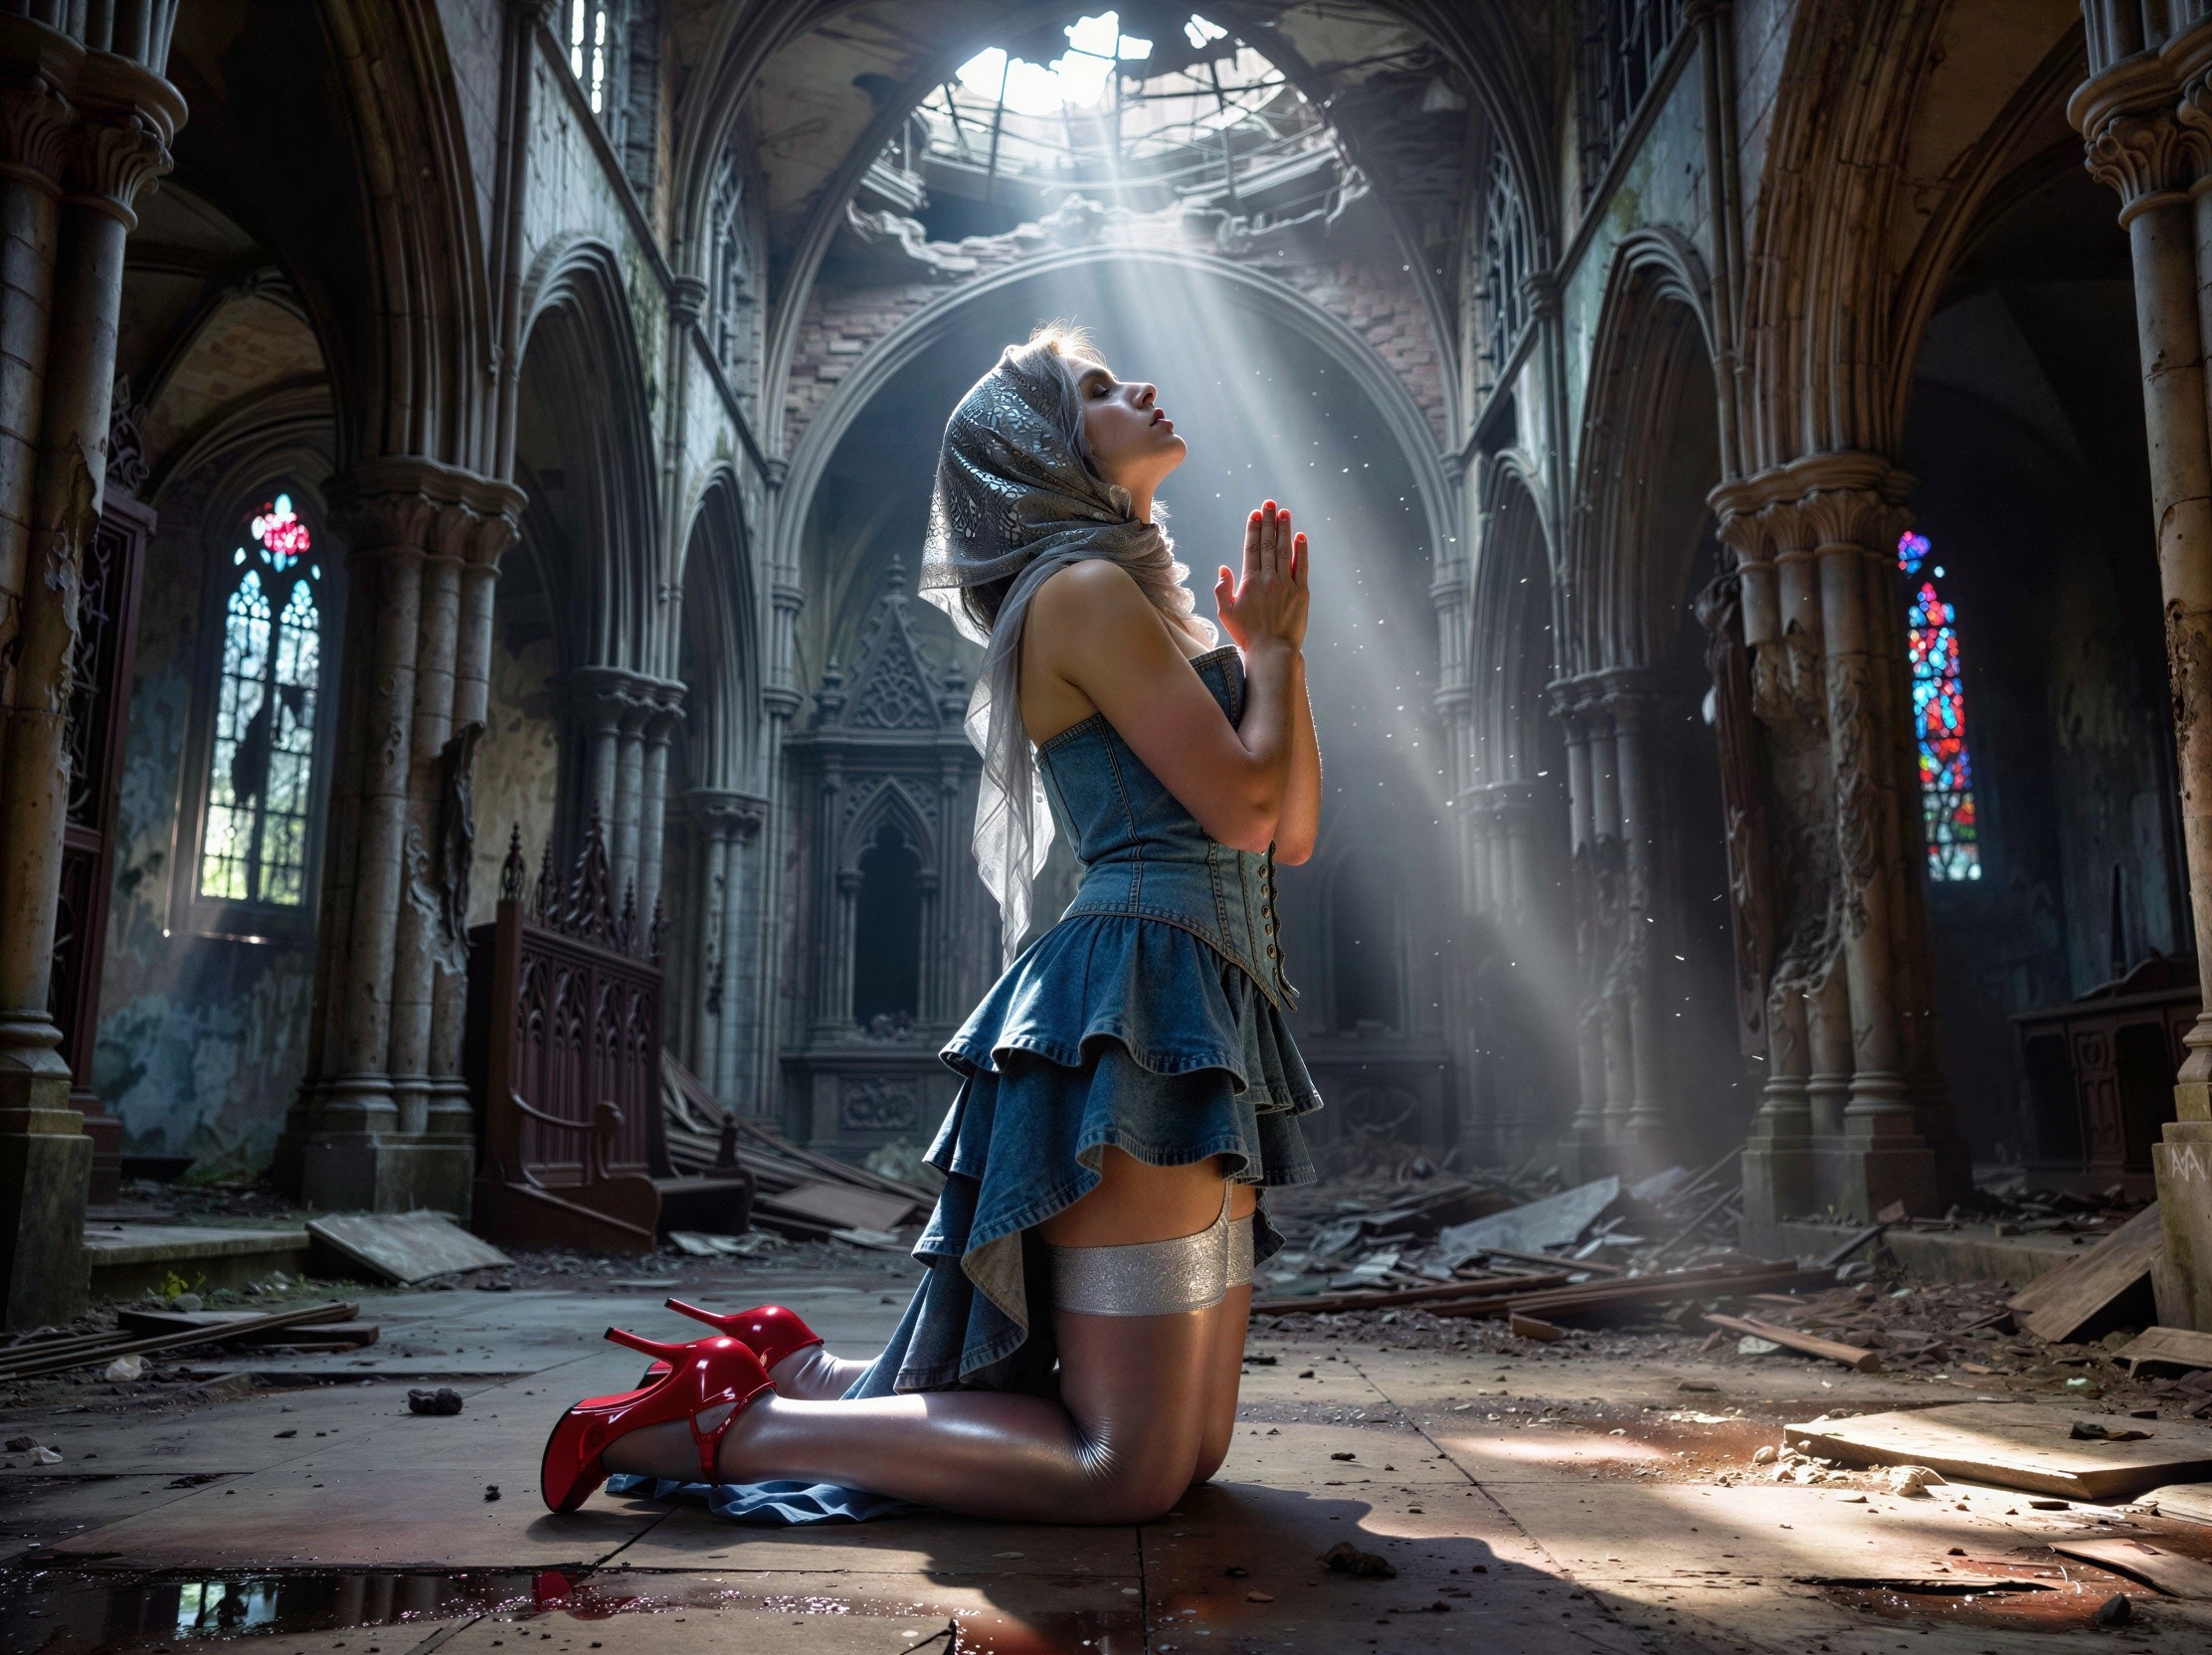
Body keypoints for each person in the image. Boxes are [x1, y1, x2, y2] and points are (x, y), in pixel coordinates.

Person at [542, 324, 1323, 1525]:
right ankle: (739, 1421)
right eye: (1100, 391)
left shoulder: (1143, 609)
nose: (1142, 391)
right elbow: (1245, 798)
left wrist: (1279, 656)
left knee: (1192, 1454)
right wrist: (1266, 656)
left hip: (1210, 997)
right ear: (1042, 447)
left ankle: (791, 1368)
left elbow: (1286, 831)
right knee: (1121, 1468)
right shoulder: (1078, 594)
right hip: (1136, 1000)